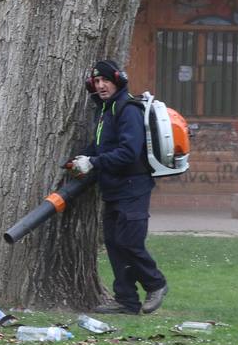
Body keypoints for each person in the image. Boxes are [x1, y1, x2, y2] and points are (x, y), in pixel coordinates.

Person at [67, 59, 168, 314]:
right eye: (97, 82)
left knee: (129, 242)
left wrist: (93, 162)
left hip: (133, 187)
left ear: (117, 81)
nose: (101, 86)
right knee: (113, 243)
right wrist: (78, 160)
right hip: (113, 189)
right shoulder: (106, 111)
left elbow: (128, 152)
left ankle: (156, 284)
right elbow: (100, 146)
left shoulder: (127, 109)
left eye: (105, 81)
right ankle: (127, 301)